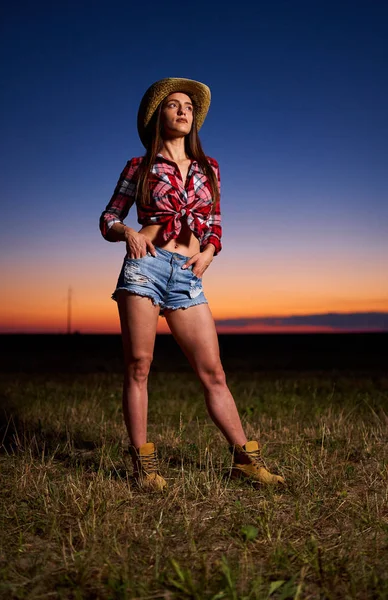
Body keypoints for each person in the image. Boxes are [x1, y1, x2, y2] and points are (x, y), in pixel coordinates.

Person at [99, 77, 285, 491]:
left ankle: (246, 461)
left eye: (188, 106)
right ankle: (143, 467)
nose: (183, 110)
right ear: (157, 117)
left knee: (213, 373)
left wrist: (210, 251)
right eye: (173, 105)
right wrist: (127, 232)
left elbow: (215, 222)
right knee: (139, 366)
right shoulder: (139, 166)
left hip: (187, 274)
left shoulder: (209, 167)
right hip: (144, 268)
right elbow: (108, 218)